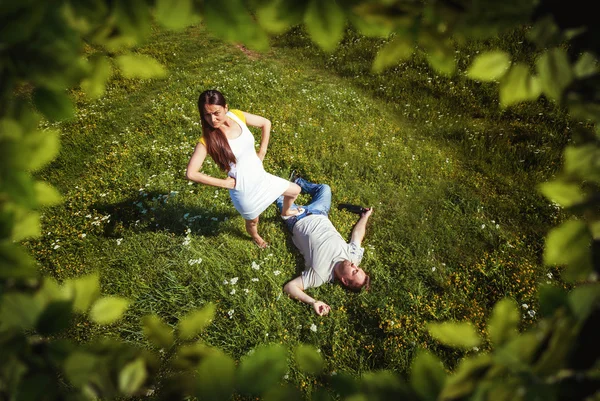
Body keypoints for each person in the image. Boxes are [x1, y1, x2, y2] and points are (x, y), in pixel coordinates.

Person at [186, 90, 302, 248]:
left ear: (226, 107)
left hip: (261, 178)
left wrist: (262, 151)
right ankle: (255, 236)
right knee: (253, 221)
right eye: (207, 115)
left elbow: (265, 123)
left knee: (295, 190)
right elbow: (191, 173)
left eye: (216, 113)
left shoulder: (236, 116)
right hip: (244, 190)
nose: (212, 119)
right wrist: (224, 184)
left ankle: (286, 212)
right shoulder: (207, 140)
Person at [277, 174, 373, 316]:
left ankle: (286, 186)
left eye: (354, 271)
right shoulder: (354, 257)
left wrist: (313, 302)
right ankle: (298, 182)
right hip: (319, 212)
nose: (354, 265)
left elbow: (290, 287)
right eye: (357, 268)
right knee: (325, 189)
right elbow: (357, 236)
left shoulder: (320, 275)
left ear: (345, 281)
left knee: (276, 192)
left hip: (294, 217)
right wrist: (365, 217)